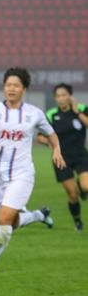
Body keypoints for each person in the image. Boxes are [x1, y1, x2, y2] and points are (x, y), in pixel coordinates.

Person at [0, 68, 65, 277]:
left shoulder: (34, 113)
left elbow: (51, 134)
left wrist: (56, 150)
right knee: (11, 221)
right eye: (8, 85)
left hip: (22, 175)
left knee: (4, 218)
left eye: (16, 85)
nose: (11, 89)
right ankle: (39, 215)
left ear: (24, 89)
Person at [42, 83, 88, 231]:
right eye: (58, 96)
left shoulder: (81, 109)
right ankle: (77, 221)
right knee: (72, 194)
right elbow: (40, 136)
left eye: (64, 95)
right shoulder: (51, 114)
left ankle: (82, 187)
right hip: (61, 158)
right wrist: (48, 142)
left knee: (86, 186)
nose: (61, 98)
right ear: (55, 98)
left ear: (70, 96)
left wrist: (77, 112)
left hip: (81, 155)